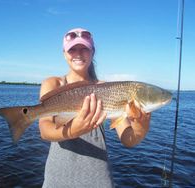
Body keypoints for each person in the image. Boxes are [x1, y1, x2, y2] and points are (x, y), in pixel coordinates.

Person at [39, 28, 151, 188]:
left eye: (84, 48)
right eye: (72, 49)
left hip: (98, 180)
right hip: (57, 179)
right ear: (64, 53)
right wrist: (73, 130)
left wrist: (141, 127)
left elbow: (128, 140)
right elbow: (45, 131)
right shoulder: (53, 84)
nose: (78, 54)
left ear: (92, 52)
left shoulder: (109, 89)